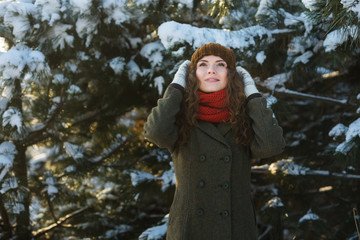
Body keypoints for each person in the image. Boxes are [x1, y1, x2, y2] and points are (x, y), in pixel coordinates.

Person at [143, 43, 285, 240]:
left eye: (220, 64)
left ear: (231, 75)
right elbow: (154, 132)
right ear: (192, 75)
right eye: (203, 64)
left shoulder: (244, 118)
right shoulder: (180, 118)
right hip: (189, 231)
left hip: (236, 230)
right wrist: (177, 84)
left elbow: (272, 145)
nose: (211, 69)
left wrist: (251, 92)